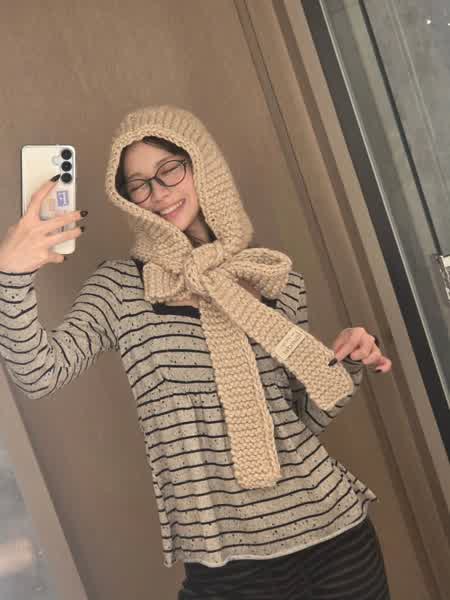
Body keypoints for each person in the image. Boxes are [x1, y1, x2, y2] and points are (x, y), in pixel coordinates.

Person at [0, 105, 392, 599]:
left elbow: (297, 420)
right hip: (227, 563)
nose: (158, 192)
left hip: (336, 536)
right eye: (138, 184)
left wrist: (346, 364)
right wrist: (10, 275)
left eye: (170, 168)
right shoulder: (122, 287)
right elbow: (38, 373)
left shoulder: (274, 279)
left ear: (202, 164)